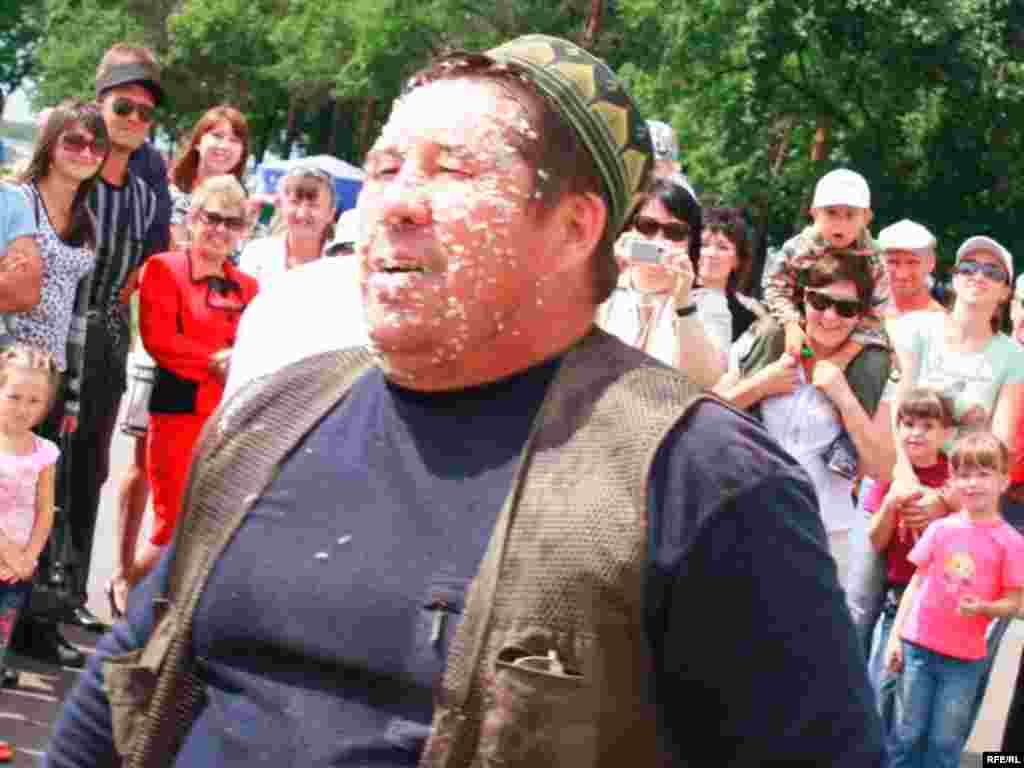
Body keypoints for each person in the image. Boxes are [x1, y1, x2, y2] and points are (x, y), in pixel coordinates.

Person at [46, 34, 884, 766]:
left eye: (453, 170)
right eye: (386, 168)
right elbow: (120, 693)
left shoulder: (702, 483)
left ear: (575, 227)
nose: (396, 202)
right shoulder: (275, 416)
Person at [62, 45, 162, 634]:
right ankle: (22, 604)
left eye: (144, 113)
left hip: (107, 338)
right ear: (99, 106)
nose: (132, 119)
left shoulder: (147, 195)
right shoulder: (70, 174)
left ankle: (67, 593)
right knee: (39, 463)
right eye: (123, 107)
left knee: (90, 468)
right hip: (52, 336)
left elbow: (142, 268)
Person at [716, 253, 894, 585]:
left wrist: (843, 397)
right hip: (743, 521)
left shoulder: (872, 368)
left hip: (822, 536)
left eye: (846, 308)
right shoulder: (768, 342)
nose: (830, 316)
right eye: (820, 302)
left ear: (861, 315)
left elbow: (882, 468)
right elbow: (703, 413)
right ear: (803, 298)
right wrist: (760, 385)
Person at [125, 175, 258, 590]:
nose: (220, 229)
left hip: (230, 419)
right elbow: (161, 341)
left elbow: (255, 347)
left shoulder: (250, 287)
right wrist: (218, 361)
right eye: (211, 218)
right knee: (171, 526)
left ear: (242, 230)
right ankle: (129, 593)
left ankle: (163, 611)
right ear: (193, 218)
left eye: (231, 222)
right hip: (177, 413)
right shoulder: (163, 268)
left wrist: (233, 363)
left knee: (208, 527)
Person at [885, 431, 1024, 768]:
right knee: (906, 735)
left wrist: (986, 608)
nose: (972, 483)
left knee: (944, 743)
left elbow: (1014, 602)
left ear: (1003, 481)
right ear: (952, 481)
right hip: (918, 648)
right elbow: (917, 582)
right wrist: (895, 636)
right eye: (964, 474)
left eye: (983, 474)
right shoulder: (941, 529)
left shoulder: (1011, 543)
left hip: (963, 661)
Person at [846, 219, 947, 652]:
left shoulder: (941, 325)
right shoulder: (858, 311)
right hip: (850, 470)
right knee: (849, 605)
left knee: (889, 610)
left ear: (931, 263)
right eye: (892, 261)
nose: (901, 272)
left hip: (904, 482)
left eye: (912, 262)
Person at [864, 387, 953, 728]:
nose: (916, 433)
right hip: (897, 596)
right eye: (909, 424)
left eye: (928, 426)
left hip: (938, 601)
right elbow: (876, 541)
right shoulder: (892, 473)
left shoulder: (953, 480)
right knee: (883, 683)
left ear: (945, 433)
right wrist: (890, 504)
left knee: (916, 702)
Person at [596, 177, 725, 388]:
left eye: (675, 232)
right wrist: (604, 276)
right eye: (647, 226)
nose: (658, 241)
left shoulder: (708, 303)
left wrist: (683, 304)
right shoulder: (604, 287)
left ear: (691, 242)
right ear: (629, 228)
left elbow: (706, 380)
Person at [224, 208, 364, 397]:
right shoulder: (299, 295)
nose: (345, 260)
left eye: (353, 252)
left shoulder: (375, 316)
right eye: (341, 251)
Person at [0, 345, 62, 763]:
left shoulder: (44, 453)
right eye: (14, 396)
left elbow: (45, 510)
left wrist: (30, 557)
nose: (24, 408)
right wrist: (10, 553)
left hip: (15, 574)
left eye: (35, 400)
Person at [762, 167, 887, 366]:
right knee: (769, 330)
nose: (840, 223)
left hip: (850, 331)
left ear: (866, 217)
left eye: (850, 215)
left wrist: (844, 356)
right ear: (814, 213)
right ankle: (754, 379)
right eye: (831, 213)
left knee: (876, 358)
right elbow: (774, 286)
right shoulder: (798, 249)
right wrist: (791, 324)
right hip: (802, 323)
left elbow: (878, 312)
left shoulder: (876, 259)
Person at [167, 105, 250, 250]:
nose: (224, 146)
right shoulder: (169, 195)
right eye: (217, 136)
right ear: (198, 142)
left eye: (234, 140)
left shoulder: (245, 205)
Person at [237, 165, 336, 283]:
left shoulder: (342, 264)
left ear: (331, 213)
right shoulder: (256, 253)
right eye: (295, 202)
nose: (302, 214)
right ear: (281, 206)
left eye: (313, 205)